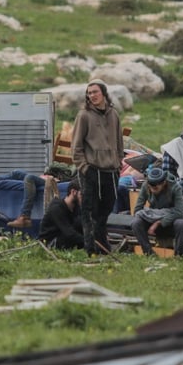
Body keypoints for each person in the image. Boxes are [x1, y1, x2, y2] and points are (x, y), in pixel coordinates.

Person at [72, 80, 123, 255]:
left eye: (95, 92)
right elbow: (76, 147)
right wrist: (85, 168)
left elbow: (119, 142)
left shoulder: (114, 114)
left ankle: (102, 245)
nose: (92, 95)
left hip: (111, 171)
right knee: (89, 212)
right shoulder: (84, 116)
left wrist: (119, 162)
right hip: (91, 170)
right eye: (89, 92)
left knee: (106, 210)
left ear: (103, 93)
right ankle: (91, 249)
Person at [130, 166, 183, 257]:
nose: (153, 188)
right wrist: (150, 217)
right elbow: (138, 209)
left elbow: (179, 212)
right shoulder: (146, 186)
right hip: (153, 217)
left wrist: (159, 223)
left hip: (171, 221)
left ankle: (180, 255)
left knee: (181, 223)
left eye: (156, 187)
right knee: (136, 223)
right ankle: (149, 253)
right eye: (151, 186)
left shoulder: (175, 188)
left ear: (164, 183)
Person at [40, 179, 84, 250]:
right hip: (51, 241)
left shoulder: (76, 207)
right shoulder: (57, 208)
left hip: (64, 235)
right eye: (82, 194)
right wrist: (89, 241)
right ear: (73, 192)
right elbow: (69, 232)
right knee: (72, 237)